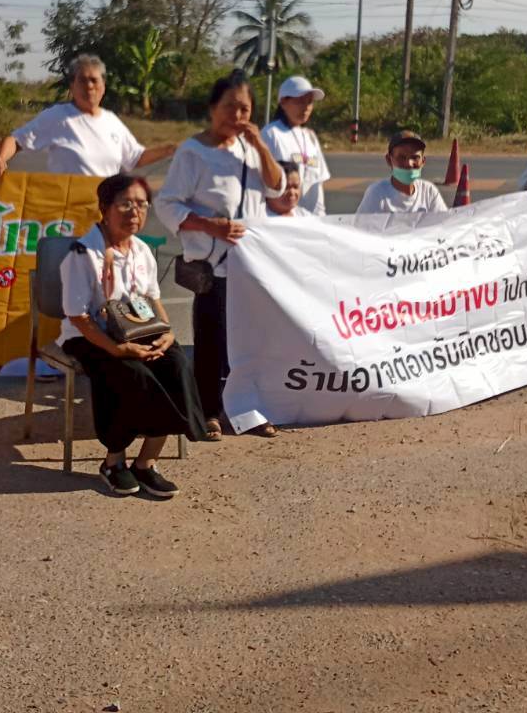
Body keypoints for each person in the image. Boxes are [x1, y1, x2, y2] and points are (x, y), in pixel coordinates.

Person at [58, 173, 205, 497]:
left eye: (141, 204)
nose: (134, 212)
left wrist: (167, 333)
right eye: (125, 204)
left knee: (176, 364)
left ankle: (146, 462)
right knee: (130, 373)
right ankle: (113, 462)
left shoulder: (141, 250)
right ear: (104, 208)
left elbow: (152, 299)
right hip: (90, 336)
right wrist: (117, 349)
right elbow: (78, 317)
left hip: (139, 328)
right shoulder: (82, 255)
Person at [157, 72, 285, 439]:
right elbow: (166, 204)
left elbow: (277, 187)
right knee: (212, 342)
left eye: (245, 108)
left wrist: (260, 146)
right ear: (213, 108)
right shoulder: (193, 152)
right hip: (215, 269)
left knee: (252, 343)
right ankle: (209, 412)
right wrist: (207, 225)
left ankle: (249, 410)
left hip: (253, 266)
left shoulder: (251, 149)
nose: (237, 115)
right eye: (230, 107)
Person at [0, 53, 175, 176]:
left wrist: (171, 150)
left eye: (94, 80)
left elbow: (135, 158)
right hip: (68, 213)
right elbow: (16, 140)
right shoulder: (58, 117)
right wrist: (1, 158)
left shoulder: (112, 121)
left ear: (103, 86)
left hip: (104, 212)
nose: (89, 86)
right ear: (72, 86)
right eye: (83, 81)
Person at [262, 76, 331, 216]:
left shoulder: (310, 137)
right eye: (300, 101)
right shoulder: (271, 134)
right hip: (281, 220)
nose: (306, 107)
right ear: (283, 102)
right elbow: (263, 182)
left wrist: (321, 217)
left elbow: (317, 184)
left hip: (309, 220)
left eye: (309, 102)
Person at [356, 130, 449, 215]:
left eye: (415, 157)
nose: (409, 163)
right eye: (401, 157)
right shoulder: (377, 194)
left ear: (423, 161)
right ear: (389, 160)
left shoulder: (429, 192)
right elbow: (363, 226)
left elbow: (444, 223)